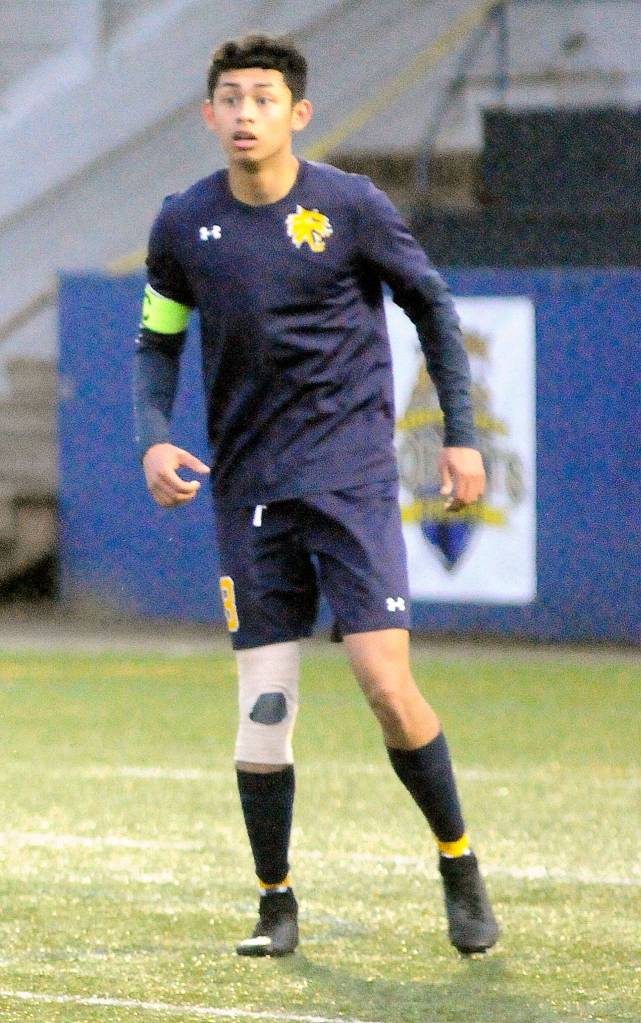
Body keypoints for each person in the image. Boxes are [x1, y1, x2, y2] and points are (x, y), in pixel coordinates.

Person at [133, 33, 499, 958]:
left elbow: (432, 307)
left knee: (385, 685)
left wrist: (460, 434)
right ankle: (275, 902)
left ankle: (457, 862)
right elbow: (157, 339)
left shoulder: (350, 206)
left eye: (263, 98)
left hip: (350, 481)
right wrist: (153, 436)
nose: (245, 113)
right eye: (231, 98)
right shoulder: (183, 223)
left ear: (297, 114)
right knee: (264, 709)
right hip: (248, 491)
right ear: (208, 114)